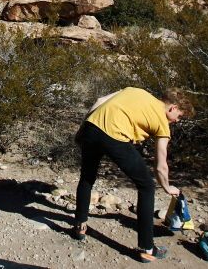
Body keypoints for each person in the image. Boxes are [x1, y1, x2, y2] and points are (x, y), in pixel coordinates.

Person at [73, 87, 194, 262]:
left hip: (92, 127)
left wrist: (82, 130)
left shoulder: (136, 90)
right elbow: (160, 165)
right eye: (179, 116)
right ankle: (147, 248)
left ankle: (80, 227)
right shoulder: (162, 123)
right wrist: (167, 187)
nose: (177, 120)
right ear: (173, 108)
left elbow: (99, 101)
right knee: (146, 186)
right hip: (113, 136)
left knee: (87, 176)